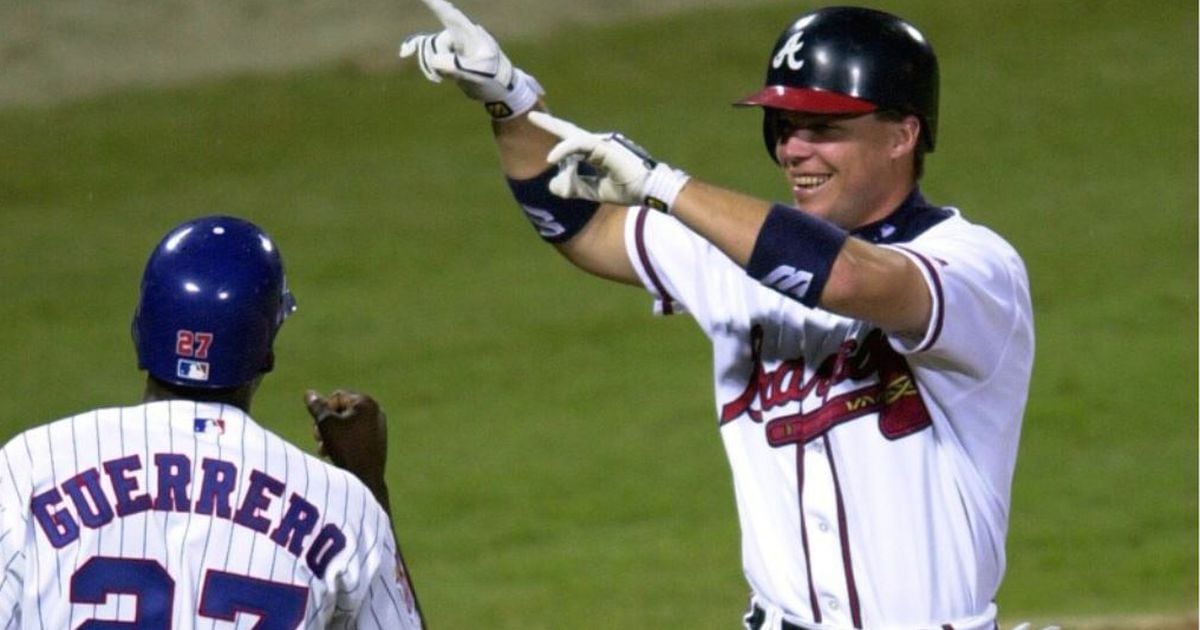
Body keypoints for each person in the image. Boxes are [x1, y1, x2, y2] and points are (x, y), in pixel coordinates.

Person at [401, 2, 1034, 629]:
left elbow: (850, 278)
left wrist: (667, 187)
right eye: (784, 126)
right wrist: (511, 104)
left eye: (823, 129)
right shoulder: (734, 250)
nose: (794, 149)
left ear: (903, 134)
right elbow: (582, 226)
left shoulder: (974, 267)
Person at [0, 216, 424, 629]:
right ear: (267, 354)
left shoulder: (32, 466)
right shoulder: (343, 505)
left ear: (139, 333)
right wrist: (369, 484)